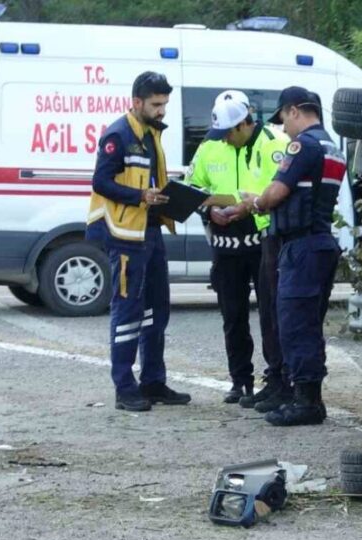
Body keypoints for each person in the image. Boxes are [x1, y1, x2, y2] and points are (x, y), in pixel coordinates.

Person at [226, 86, 344, 427]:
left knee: (295, 323)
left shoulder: (303, 145)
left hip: (301, 245)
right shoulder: (331, 146)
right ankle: (306, 397)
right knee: (308, 321)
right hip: (320, 242)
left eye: (283, 120)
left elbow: (277, 191)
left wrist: (255, 202)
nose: (282, 128)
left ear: (294, 111)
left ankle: (307, 402)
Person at [86, 71, 191, 412]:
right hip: (125, 234)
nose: (162, 111)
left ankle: (153, 381)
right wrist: (141, 196)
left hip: (150, 230)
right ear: (137, 102)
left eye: (164, 104)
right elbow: (101, 182)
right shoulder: (118, 134)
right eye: (157, 104)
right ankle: (124, 387)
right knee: (128, 311)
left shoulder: (150, 133)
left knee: (156, 310)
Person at [187, 91, 288, 404]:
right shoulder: (209, 147)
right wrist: (207, 210)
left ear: (246, 123)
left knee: (272, 315)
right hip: (225, 245)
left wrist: (249, 207)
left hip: (263, 242)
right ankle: (240, 380)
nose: (225, 140)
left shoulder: (274, 142)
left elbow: (281, 190)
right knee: (232, 315)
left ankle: (277, 379)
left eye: (229, 133)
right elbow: (193, 186)